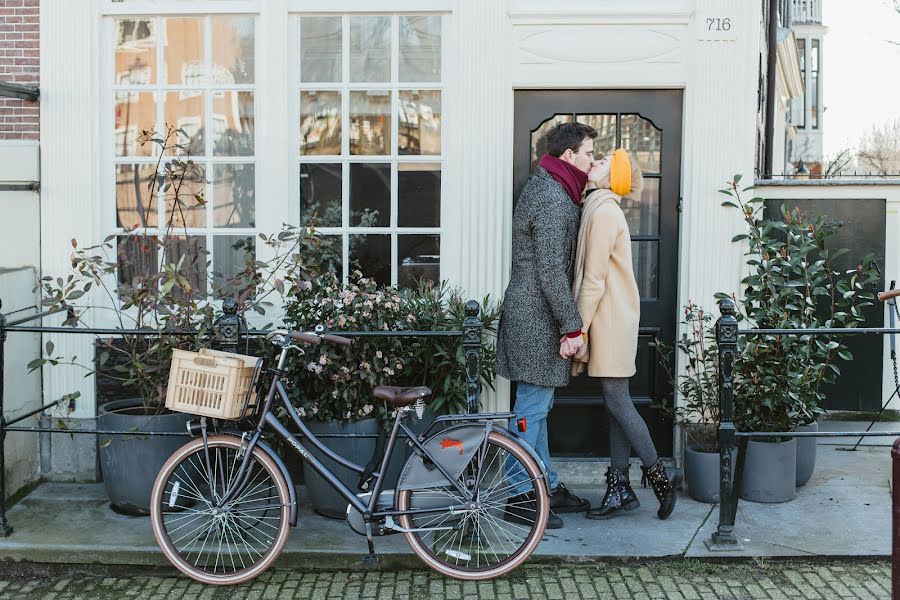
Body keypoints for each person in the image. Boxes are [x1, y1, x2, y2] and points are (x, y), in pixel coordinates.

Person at [497, 122, 596, 529]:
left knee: (537, 408)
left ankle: (546, 486)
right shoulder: (554, 199)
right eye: (589, 152)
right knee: (531, 411)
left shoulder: (547, 187)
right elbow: (552, 272)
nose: (593, 160)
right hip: (537, 318)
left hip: (532, 313)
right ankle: (520, 497)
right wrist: (572, 327)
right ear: (569, 156)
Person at [572, 149, 676, 520]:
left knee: (617, 401)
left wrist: (576, 327)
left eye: (600, 163)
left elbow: (594, 279)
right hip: (613, 318)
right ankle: (619, 489)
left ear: (609, 177)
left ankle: (660, 480)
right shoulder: (600, 207)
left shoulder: (601, 212)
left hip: (609, 320)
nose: (592, 163)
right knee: (615, 403)